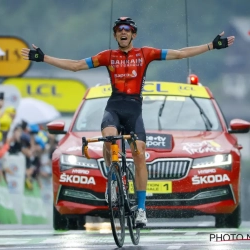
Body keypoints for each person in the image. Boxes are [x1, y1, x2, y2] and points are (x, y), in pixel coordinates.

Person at [21, 17, 235, 227]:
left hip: (134, 110)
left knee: (140, 153)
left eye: (127, 29)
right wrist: (43, 58)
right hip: (114, 107)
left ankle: (141, 209)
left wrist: (210, 46)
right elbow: (76, 66)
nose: (123, 32)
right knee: (108, 139)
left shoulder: (145, 53)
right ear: (115, 35)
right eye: (119, 29)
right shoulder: (107, 56)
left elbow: (179, 54)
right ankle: (112, 182)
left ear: (134, 34)